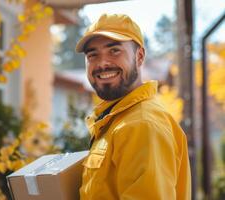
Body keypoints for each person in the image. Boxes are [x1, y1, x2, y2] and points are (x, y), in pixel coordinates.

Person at [75, 13, 191, 200]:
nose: (102, 63)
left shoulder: (142, 125)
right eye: (93, 55)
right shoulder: (116, 120)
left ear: (139, 56)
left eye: (114, 51)